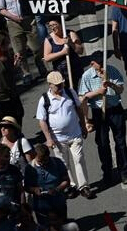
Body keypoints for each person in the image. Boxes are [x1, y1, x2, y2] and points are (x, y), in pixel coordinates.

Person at [35, 71, 92, 200]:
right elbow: (42, 121)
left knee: (79, 159)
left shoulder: (70, 93)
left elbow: (79, 109)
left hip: (75, 133)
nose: (60, 87)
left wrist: (83, 126)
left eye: (61, 84)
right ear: (50, 85)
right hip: (58, 139)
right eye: (57, 85)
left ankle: (83, 186)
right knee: (64, 163)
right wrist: (48, 139)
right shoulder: (44, 100)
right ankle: (70, 185)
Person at [78, 51, 127, 186]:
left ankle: (124, 171)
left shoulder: (112, 70)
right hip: (99, 111)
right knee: (102, 143)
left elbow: (121, 90)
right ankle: (107, 172)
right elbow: (83, 97)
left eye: (103, 63)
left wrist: (111, 84)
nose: (102, 66)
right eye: (99, 64)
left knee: (120, 141)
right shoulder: (87, 76)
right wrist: (98, 93)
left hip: (115, 109)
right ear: (92, 64)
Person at [0, 0, 41, 83]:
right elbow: (1, 9)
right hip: (13, 23)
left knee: (36, 47)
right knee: (19, 51)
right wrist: (13, 17)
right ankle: (26, 74)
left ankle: (42, 68)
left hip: (28, 20)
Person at [24, 144, 70, 227]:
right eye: (40, 161)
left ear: (48, 156)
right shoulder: (30, 168)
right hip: (41, 207)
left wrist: (57, 189)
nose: (42, 163)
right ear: (35, 157)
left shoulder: (57, 163)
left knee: (61, 226)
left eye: (45, 160)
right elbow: (26, 187)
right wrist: (35, 190)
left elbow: (66, 181)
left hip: (58, 204)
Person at [42, 19, 84, 92]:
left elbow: (80, 51)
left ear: (61, 25)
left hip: (76, 69)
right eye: (50, 26)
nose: (52, 28)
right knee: (66, 93)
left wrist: (71, 43)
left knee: (80, 92)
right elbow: (47, 58)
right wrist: (62, 53)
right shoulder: (49, 39)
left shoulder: (70, 34)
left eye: (54, 25)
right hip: (61, 73)